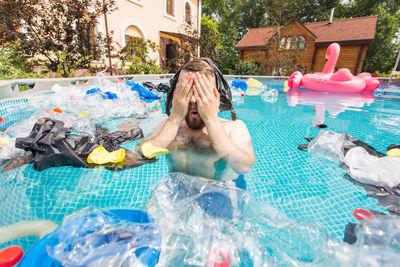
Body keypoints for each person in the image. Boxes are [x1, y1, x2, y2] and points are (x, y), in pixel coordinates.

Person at [139, 58, 255, 188]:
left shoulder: (233, 128)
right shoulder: (167, 126)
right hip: (176, 190)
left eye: (202, 92)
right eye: (187, 91)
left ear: (216, 96)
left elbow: (244, 166)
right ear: (177, 94)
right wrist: (175, 118)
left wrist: (211, 120)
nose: (193, 99)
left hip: (219, 192)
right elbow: (142, 153)